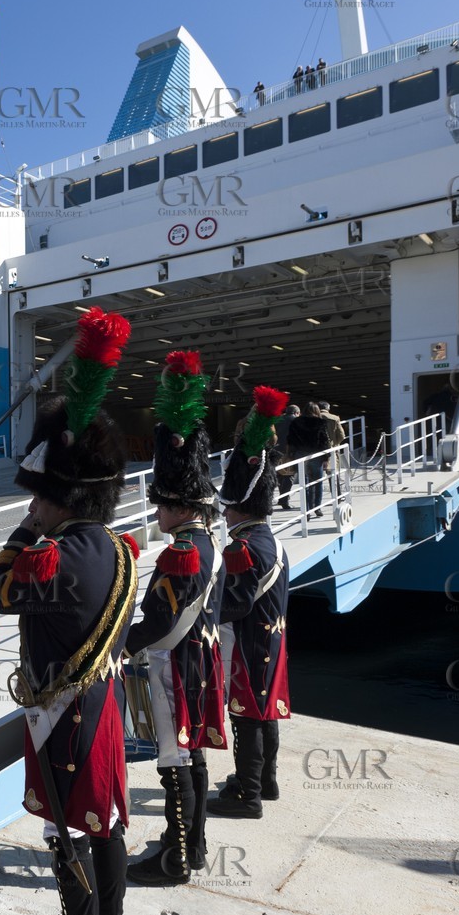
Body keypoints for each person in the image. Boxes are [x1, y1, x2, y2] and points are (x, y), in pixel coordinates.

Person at [0, 309, 139, 915]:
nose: (34, 506)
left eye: (42, 497)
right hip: (99, 703)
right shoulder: (117, 549)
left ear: (61, 495)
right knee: (105, 825)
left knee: (70, 832)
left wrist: (26, 524)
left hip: (66, 712)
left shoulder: (56, 558)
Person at [124, 351, 227, 886]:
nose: (156, 514)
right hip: (201, 659)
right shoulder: (210, 540)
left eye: (161, 505)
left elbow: (161, 621)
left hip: (176, 661)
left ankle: (175, 857)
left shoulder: (182, 551)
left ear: (177, 505)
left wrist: (122, 644)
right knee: (192, 753)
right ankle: (194, 845)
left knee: (173, 759)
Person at [207, 386, 292, 820]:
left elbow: (235, 606)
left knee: (247, 717)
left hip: (249, 646)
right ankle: (267, 781)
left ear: (239, 506)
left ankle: (248, 795)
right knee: (267, 713)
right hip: (273, 641)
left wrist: (205, 616)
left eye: (227, 507)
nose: (223, 513)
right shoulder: (271, 541)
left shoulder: (240, 548)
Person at [286, 401, 331, 516]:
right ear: (317, 411)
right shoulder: (321, 422)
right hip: (316, 456)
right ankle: (317, 508)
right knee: (318, 482)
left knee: (304, 483)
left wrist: (291, 455)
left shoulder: (296, 422)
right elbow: (324, 441)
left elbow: (291, 440)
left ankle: (307, 510)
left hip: (300, 455)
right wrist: (327, 457)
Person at [275, 402, 301, 509]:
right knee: (289, 475)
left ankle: (282, 498)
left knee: (279, 475)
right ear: (296, 413)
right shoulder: (296, 421)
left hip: (275, 451)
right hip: (289, 452)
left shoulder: (277, 420)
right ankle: (284, 501)